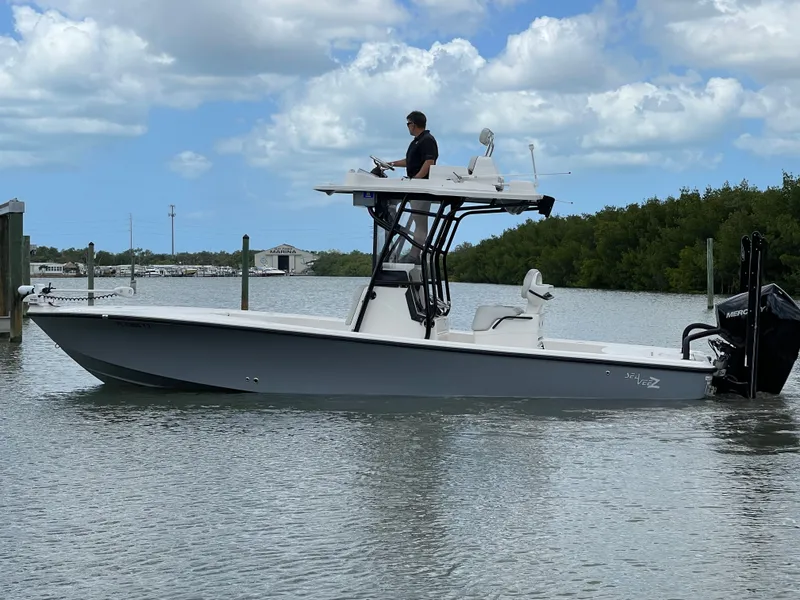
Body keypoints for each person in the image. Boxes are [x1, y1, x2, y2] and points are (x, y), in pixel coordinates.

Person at [387, 111, 438, 263]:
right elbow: (411, 160)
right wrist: (392, 164)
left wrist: (416, 180)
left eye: (408, 124)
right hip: (414, 186)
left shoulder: (427, 140)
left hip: (420, 188)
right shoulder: (417, 141)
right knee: (418, 223)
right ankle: (411, 254)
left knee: (420, 225)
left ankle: (414, 257)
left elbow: (429, 162)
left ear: (413, 124)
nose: (407, 127)